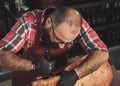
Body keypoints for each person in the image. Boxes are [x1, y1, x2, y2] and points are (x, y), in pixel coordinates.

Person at [0, 6, 113, 86]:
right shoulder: (28, 23)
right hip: (25, 77)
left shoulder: (74, 24)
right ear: (49, 22)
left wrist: (75, 74)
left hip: (57, 78)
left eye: (68, 42)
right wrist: (34, 66)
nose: (61, 46)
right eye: (59, 39)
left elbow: (102, 53)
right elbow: (2, 54)